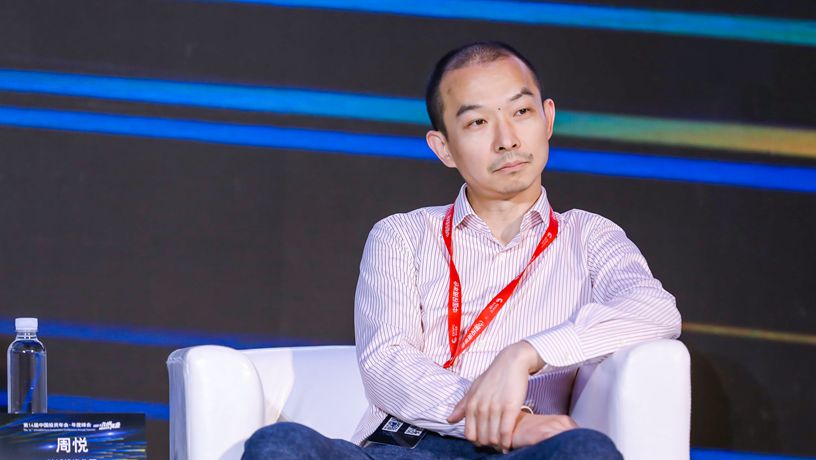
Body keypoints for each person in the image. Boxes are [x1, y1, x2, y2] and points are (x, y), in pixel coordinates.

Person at [242, 41, 681, 460]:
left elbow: (656, 310)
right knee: (281, 444)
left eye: (521, 112)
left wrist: (525, 354)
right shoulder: (402, 235)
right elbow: (386, 362)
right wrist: (506, 420)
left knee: (586, 451)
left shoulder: (589, 236)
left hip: (523, 454)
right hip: (404, 447)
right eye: (477, 123)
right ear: (444, 148)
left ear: (547, 119)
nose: (507, 139)